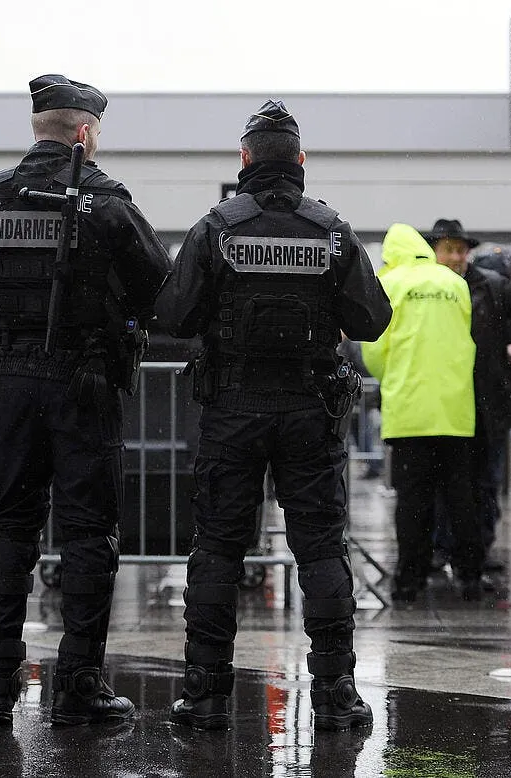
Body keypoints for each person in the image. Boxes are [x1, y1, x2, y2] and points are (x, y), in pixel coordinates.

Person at [156, 99, 391, 731]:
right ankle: (336, 692)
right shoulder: (332, 231)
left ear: (245, 161)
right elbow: (373, 319)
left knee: (218, 551)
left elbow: (172, 316)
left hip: (232, 409)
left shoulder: (217, 228)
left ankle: (206, 694)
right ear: (302, 163)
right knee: (319, 549)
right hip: (309, 413)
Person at [0, 74, 170, 726]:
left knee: (9, 534)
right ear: (84, 132)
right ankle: (78, 688)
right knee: (86, 537)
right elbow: (161, 289)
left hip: (13, 385)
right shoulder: (105, 204)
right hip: (82, 385)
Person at [363, 223, 481, 603]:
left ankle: (410, 580)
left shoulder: (391, 284)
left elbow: (374, 350)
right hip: (456, 409)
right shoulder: (454, 284)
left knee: (413, 501)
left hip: (410, 412)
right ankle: (470, 576)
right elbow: (466, 339)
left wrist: (394, 377)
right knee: (462, 497)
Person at [426, 219, 511, 572]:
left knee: (483, 483)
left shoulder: (495, 288)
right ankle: (443, 547)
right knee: (446, 484)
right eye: (448, 249)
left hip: (486, 403)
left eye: (459, 250)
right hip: (445, 403)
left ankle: (478, 550)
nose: (455, 257)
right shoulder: (427, 289)